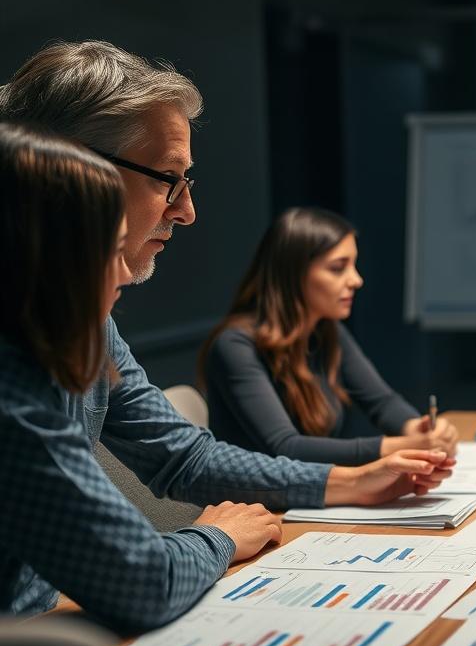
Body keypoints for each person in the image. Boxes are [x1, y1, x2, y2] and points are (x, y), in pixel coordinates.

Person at [0, 40, 452, 515]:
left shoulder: (91, 326)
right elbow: (127, 568)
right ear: (69, 171)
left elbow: (183, 456)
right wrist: (216, 539)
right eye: (167, 177)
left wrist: (352, 482)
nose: (187, 211)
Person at [0, 123, 286, 632]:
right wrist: (217, 535)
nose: (121, 276)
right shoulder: (13, 397)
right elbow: (143, 583)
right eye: (106, 254)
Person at [200, 207, 458, 466]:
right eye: (338, 268)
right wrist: (399, 446)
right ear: (293, 275)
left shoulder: (326, 330)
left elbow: (382, 402)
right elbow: (285, 446)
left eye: (354, 265)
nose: (356, 280)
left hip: (312, 494)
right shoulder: (235, 346)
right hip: (255, 503)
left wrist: (414, 427)